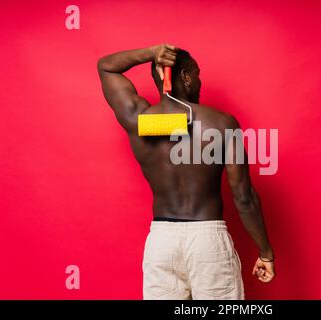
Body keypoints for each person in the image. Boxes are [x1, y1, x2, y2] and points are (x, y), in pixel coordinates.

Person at [97, 44, 275, 299]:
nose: (200, 81)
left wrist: (151, 53)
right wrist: (265, 252)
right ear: (185, 76)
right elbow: (243, 197)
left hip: (162, 243)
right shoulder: (221, 123)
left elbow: (105, 67)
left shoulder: (139, 120)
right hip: (208, 243)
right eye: (197, 73)